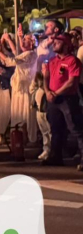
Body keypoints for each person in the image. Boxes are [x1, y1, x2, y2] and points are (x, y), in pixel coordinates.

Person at [42, 32, 83, 170]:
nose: (54, 44)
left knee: (75, 128)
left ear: (66, 45)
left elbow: (72, 82)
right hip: (53, 99)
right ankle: (55, 156)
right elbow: (46, 77)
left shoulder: (73, 61)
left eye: (58, 42)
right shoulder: (53, 61)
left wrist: (56, 93)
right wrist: (48, 92)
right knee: (55, 128)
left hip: (67, 98)